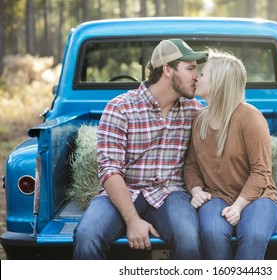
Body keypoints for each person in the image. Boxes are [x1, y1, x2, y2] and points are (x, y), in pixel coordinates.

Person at [73, 39, 208, 260]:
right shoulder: (120, 107)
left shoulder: (194, 110)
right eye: (191, 68)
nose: (197, 75)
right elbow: (110, 170)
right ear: (167, 69)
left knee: (189, 239)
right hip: (124, 191)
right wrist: (133, 220)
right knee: (87, 236)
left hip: (170, 193)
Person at [184, 50, 277, 260]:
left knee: (254, 234)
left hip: (258, 197)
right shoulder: (199, 119)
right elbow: (191, 164)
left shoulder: (250, 118)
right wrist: (196, 190)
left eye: (203, 74)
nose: (197, 77)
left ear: (219, 82)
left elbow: (261, 172)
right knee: (211, 233)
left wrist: (238, 206)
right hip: (216, 195)